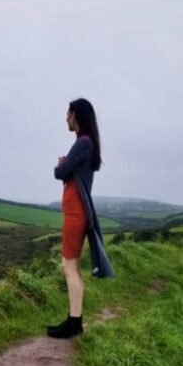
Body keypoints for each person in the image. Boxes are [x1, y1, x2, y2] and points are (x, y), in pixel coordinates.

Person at [47, 98, 115, 339]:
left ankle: (74, 323)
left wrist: (61, 166)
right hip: (76, 211)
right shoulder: (84, 143)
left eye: (68, 113)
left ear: (76, 116)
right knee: (71, 267)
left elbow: (60, 173)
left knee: (69, 267)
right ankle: (74, 320)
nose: (66, 118)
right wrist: (65, 166)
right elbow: (67, 172)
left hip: (76, 212)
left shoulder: (83, 143)